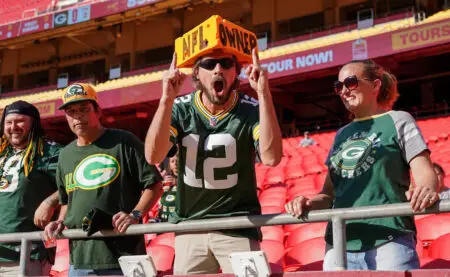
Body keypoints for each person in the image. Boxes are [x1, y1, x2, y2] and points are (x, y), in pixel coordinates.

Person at [285, 59, 438, 271]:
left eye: (351, 82)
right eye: (339, 87)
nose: (344, 91)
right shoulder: (341, 135)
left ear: (375, 85)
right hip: (339, 244)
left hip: (389, 238)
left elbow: (424, 173)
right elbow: (329, 195)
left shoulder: (399, 120)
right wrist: (308, 203)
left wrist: (427, 188)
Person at [145, 48, 282, 273]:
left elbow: (271, 157)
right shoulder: (180, 109)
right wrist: (166, 99)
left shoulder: (251, 109)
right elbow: (153, 156)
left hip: (237, 225)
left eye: (226, 63)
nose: (218, 69)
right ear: (196, 73)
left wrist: (264, 94)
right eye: (209, 64)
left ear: (236, 72)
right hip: (190, 227)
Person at [44, 83, 163, 276]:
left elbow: (154, 185)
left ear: (98, 111)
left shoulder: (124, 141)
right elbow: (67, 200)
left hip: (123, 254)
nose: (78, 116)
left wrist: (135, 215)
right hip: (81, 258)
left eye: (84, 109)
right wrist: (60, 222)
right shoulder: (65, 154)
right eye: (71, 111)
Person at [0, 100, 62, 276]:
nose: (13, 127)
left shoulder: (49, 152)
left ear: (34, 123)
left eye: (20, 121)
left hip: (26, 253)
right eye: (8, 122)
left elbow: (75, 183)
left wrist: (50, 202)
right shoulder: (2, 153)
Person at [157, 152, 178, 222]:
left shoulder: (188, 177)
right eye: (172, 161)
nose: (175, 164)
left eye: (178, 161)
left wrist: (177, 182)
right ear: (169, 165)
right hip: (163, 218)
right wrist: (162, 184)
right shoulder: (167, 178)